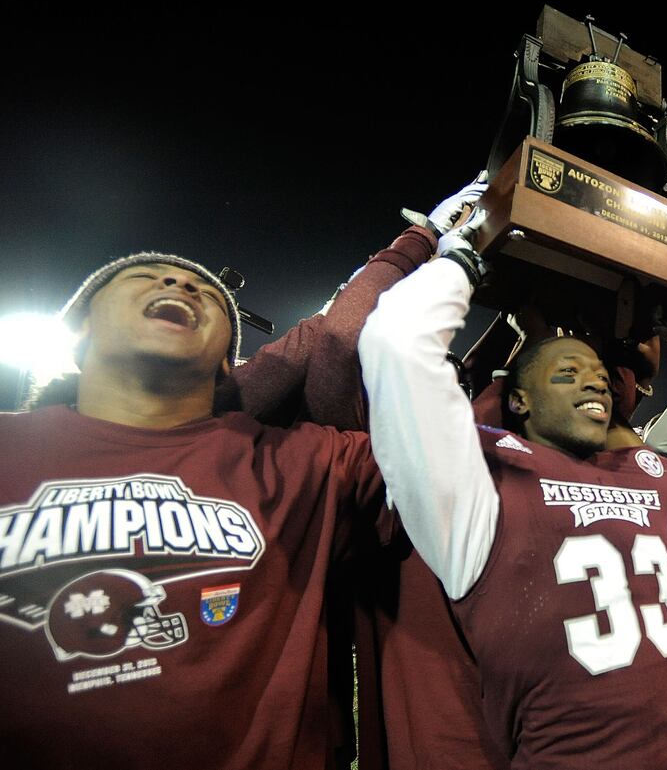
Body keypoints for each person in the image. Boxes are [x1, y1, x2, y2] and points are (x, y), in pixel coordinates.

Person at [358, 223, 667, 769]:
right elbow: (395, 342)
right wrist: (465, 258)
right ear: (519, 401)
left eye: (601, 378)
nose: (595, 384)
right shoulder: (476, 486)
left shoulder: (644, 482)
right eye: (567, 374)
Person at [0, 254, 381, 770]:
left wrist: (433, 247)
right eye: (141, 275)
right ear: (80, 328)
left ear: (228, 359)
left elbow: (447, 445)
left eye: (206, 291)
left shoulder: (295, 460)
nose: (179, 280)